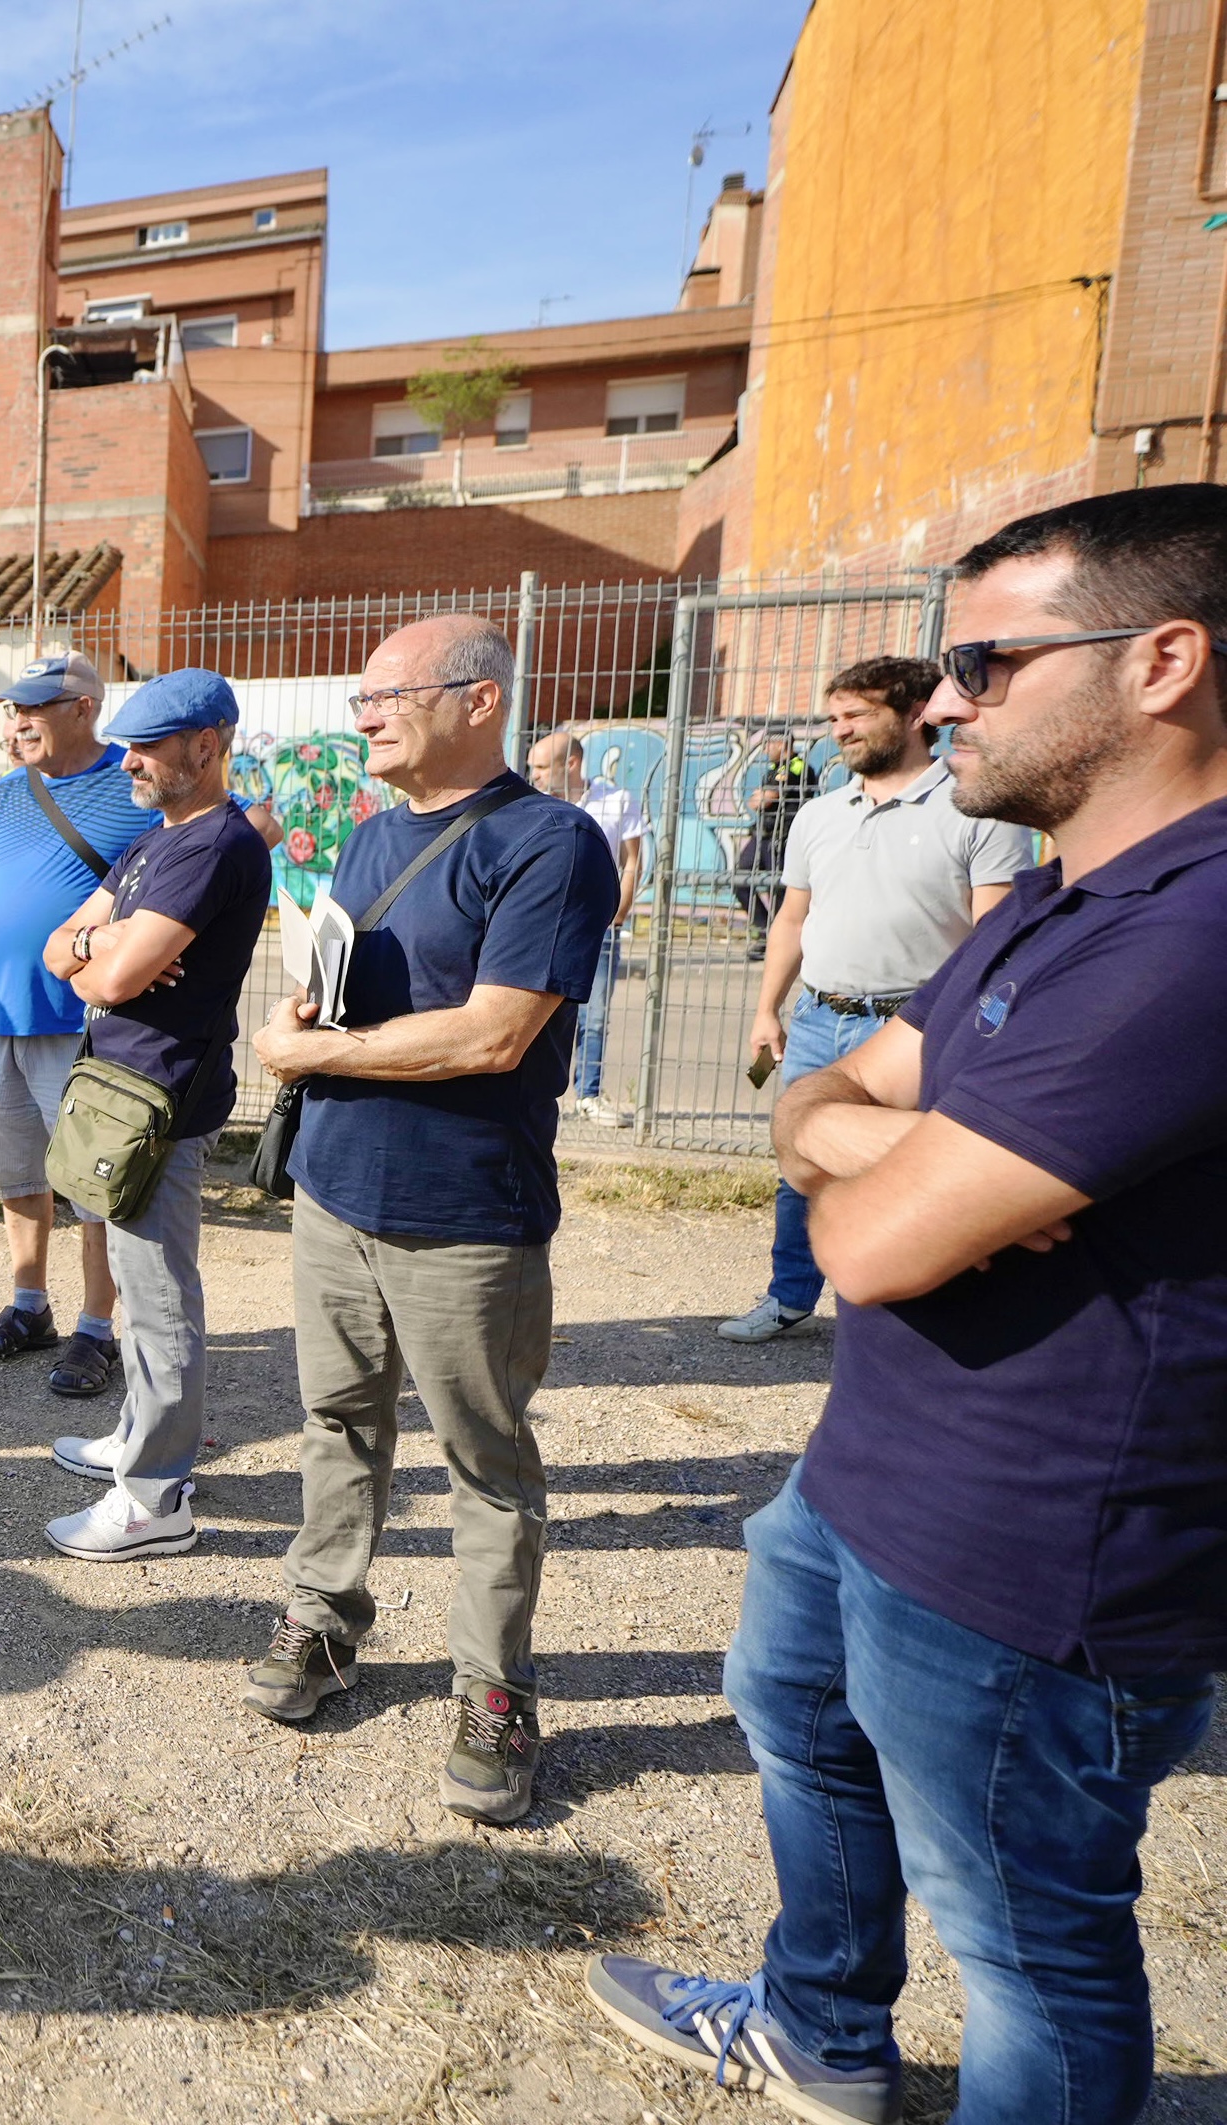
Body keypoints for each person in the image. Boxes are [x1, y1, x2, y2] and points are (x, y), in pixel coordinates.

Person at [588, 486, 1227, 2125]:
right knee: (794, 1726)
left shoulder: (1195, 935)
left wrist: (887, 1166)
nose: (946, 697)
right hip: (869, 1477)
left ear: (1161, 662)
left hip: (1035, 1551)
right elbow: (826, 1103)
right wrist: (908, 1150)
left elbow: (865, 1248)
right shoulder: (1044, 903)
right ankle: (819, 2034)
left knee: (1023, 1941)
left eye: (988, 660)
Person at [244, 614, 619, 1825]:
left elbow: (494, 1030)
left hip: (465, 1209)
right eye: (360, 698)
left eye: (386, 694)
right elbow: (360, 984)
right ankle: (323, 1616)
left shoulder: (547, 842)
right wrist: (311, 1007)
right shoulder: (364, 841)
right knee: (334, 1419)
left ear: (476, 699)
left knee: (484, 1459)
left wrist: (320, 1047)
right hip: (336, 1188)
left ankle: (493, 1690)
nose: (362, 716)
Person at [35, 671, 273, 1560]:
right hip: (122, 1093)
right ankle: (138, 1437)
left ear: (205, 746)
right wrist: (99, 946)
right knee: (139, 1289)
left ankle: (155, 1496)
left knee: (162, 1299)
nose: (128, 760)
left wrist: (101, 958)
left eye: (148, 746)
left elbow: (119, 980)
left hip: (160, 1104)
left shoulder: (215, 846)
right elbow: (65, 946)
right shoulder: (154, 842)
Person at [717, 657, 1025, 1344]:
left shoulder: (976, 806)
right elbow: (791, 920)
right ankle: (789, 1296)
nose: (840, 730)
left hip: (913, 1030)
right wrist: (768, 1008)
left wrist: (969, 1028)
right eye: (834, 718)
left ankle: (908, 1315)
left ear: (915, 714)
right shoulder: (820, 816)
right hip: (819, 1016)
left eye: (857, 715)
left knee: (911, 1170)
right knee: (800, 1164)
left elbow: (994, 936)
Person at [0, 652, 144, 1398]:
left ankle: (98, 1329)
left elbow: (240, 828)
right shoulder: (5, 794)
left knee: (93, 1181)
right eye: (10, 708)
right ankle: (30, 1306)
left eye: (31, 707)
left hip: (81, 1020)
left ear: (83, 708)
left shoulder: (135, 781)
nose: (16, 721)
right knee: (16, 1172)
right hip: (0, 1017)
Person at [525, 727, 649, 1125]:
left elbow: (632, 860)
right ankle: (534, 1091)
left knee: (594, 1016)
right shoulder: (530, 804)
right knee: (533, 1012)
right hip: (542, 927)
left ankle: (589, 1094)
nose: (536, 776)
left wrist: (620, 908)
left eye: (543, 767)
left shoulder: (616, 800)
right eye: (533, 768)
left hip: (597, 928)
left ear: (572, 764)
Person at [740, 728, 820, 940]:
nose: (765, 750)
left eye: (768, 745)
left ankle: (779, 938)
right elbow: (757, 801)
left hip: (781, 837)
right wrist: (760, 797)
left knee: (780, 890)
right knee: (740, 878)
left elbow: (763, 800)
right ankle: (765, 928)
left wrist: (761, 796)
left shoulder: (795, 767)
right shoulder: (775, 768)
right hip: (764, 834)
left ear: (780, 744)